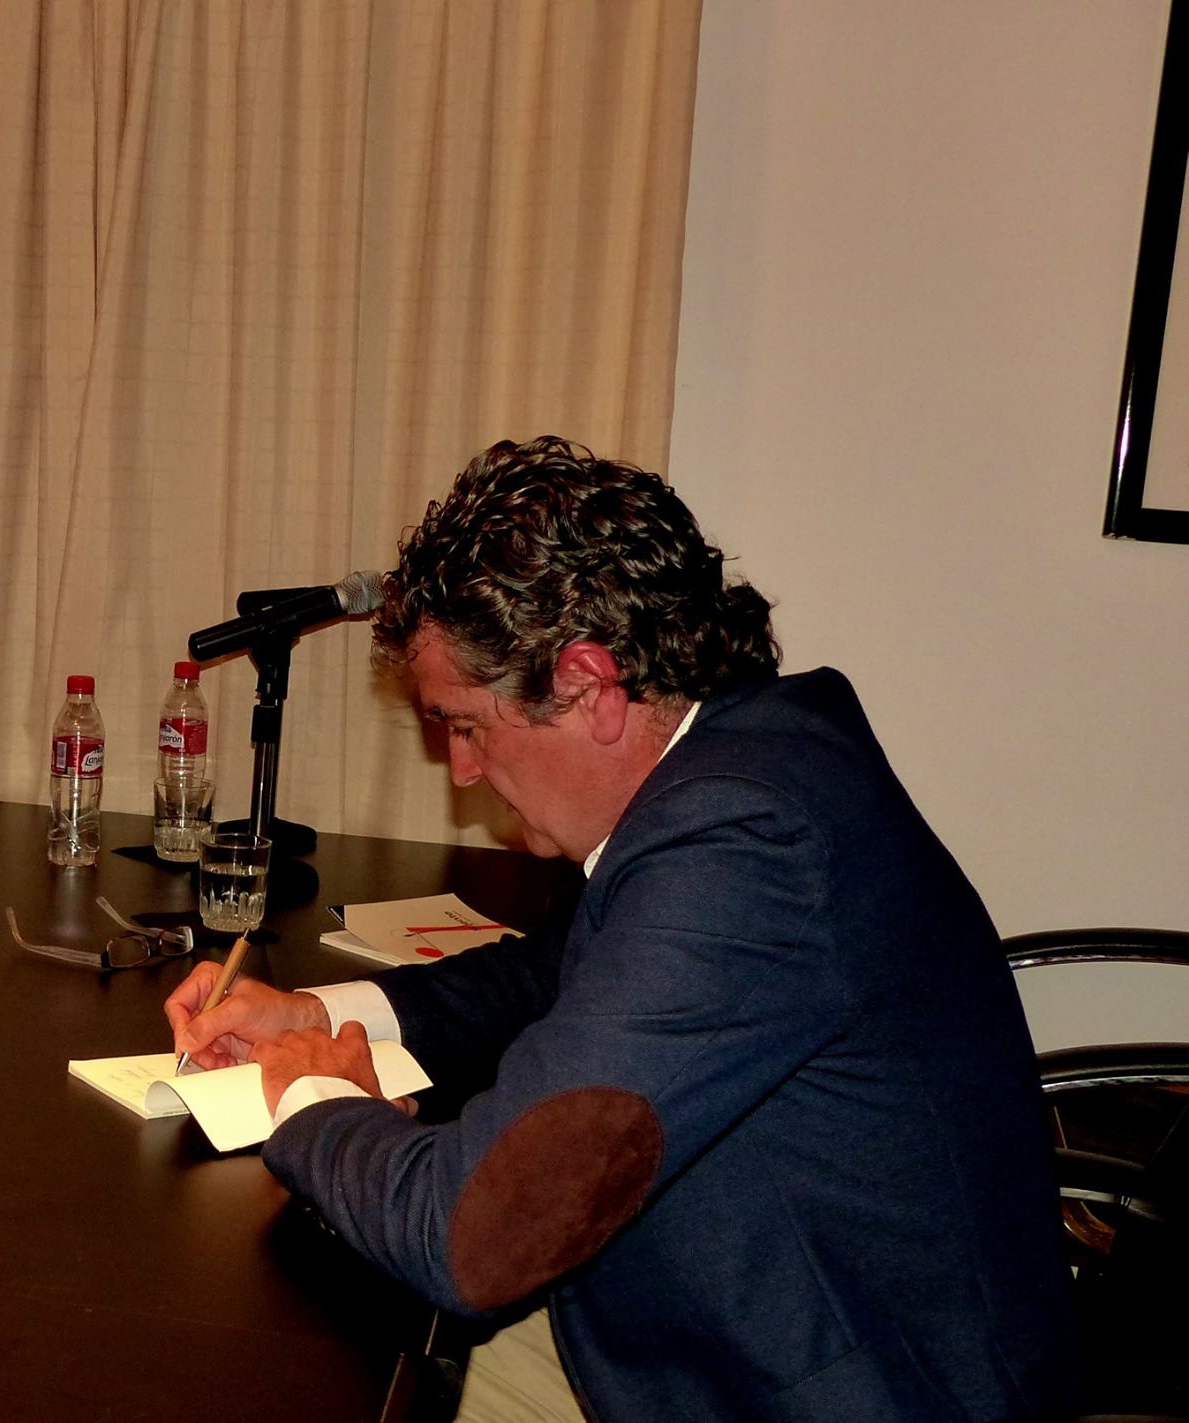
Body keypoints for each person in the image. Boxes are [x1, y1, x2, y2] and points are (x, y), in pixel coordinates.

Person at [167, 437, 1077, 1420]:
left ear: (590, 686)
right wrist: (316, 1012)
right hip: (703, 1320)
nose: (461, 770)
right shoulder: (738, 760)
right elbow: (550, 975)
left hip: (829, 1388)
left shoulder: (742, 839)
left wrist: (311, 1096)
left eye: (465, 725)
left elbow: (469, 1237)